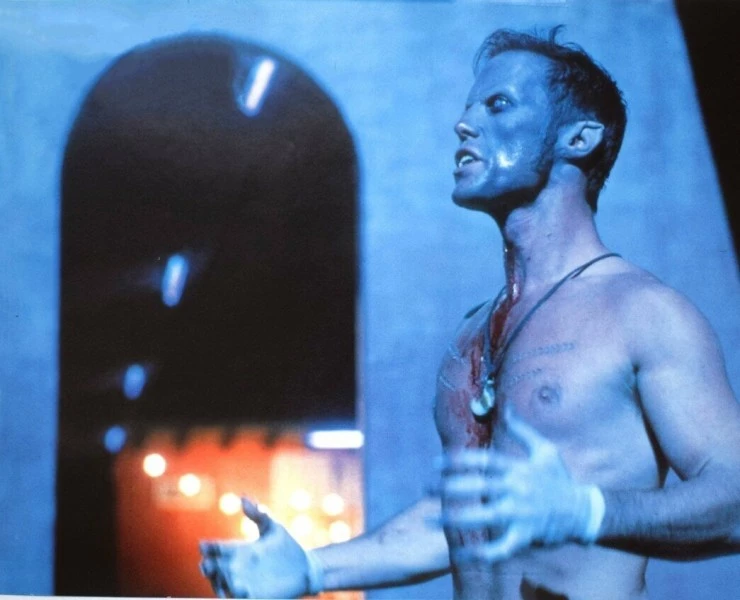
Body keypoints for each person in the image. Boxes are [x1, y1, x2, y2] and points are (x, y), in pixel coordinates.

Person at [199, 27, 740, 599]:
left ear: (579, 138)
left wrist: (585, 511)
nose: (464, 124)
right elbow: (464, 519)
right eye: (468, 107)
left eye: (498, 105)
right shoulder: (474, 333)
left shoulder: (643, 313)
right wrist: (313, 570)